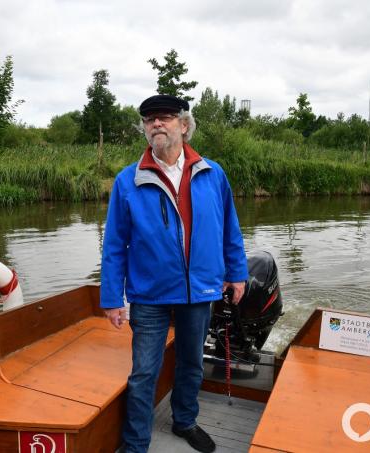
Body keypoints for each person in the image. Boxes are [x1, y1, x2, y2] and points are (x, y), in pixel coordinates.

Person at [100, 94, 248, 453]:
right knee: (143, 372)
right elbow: (114, 244)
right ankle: (136, 443)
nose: (156, 124)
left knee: (192, 363)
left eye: (164, 117)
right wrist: (112, 298)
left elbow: (229, 228)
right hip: (149, 293)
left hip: (199, 290)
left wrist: (237, 273)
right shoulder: (128, 180)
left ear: (184, 125)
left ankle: (185, 421)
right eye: (149, 119)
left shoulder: (212, 174)